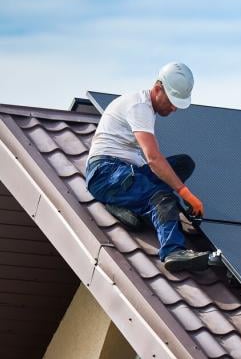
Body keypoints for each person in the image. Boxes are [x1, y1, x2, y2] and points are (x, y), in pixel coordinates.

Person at [85, 62, 212, 272]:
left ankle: (126, 206)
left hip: (123, 173)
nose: (173, 108)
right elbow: (153, 159)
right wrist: (185, 194)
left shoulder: (145, 108)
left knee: (183, 163)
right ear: (158, 88)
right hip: (107, 174)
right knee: (162, 197)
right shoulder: (139, 106)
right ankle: (172, 251)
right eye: (171, 101)